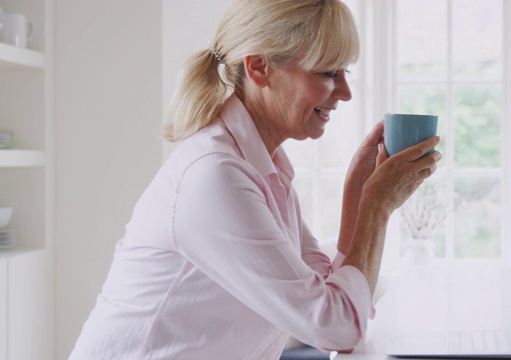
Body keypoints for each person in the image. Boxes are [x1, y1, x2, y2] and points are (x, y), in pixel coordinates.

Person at [69, 0, 442, 359]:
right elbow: (336, 327)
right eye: (328, 73)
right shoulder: (215, 175)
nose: (344, 92)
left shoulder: (264, 168)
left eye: (346, 72)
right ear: (259, 67)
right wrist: (377, 206)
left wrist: (357, 195)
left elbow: (327, 293)